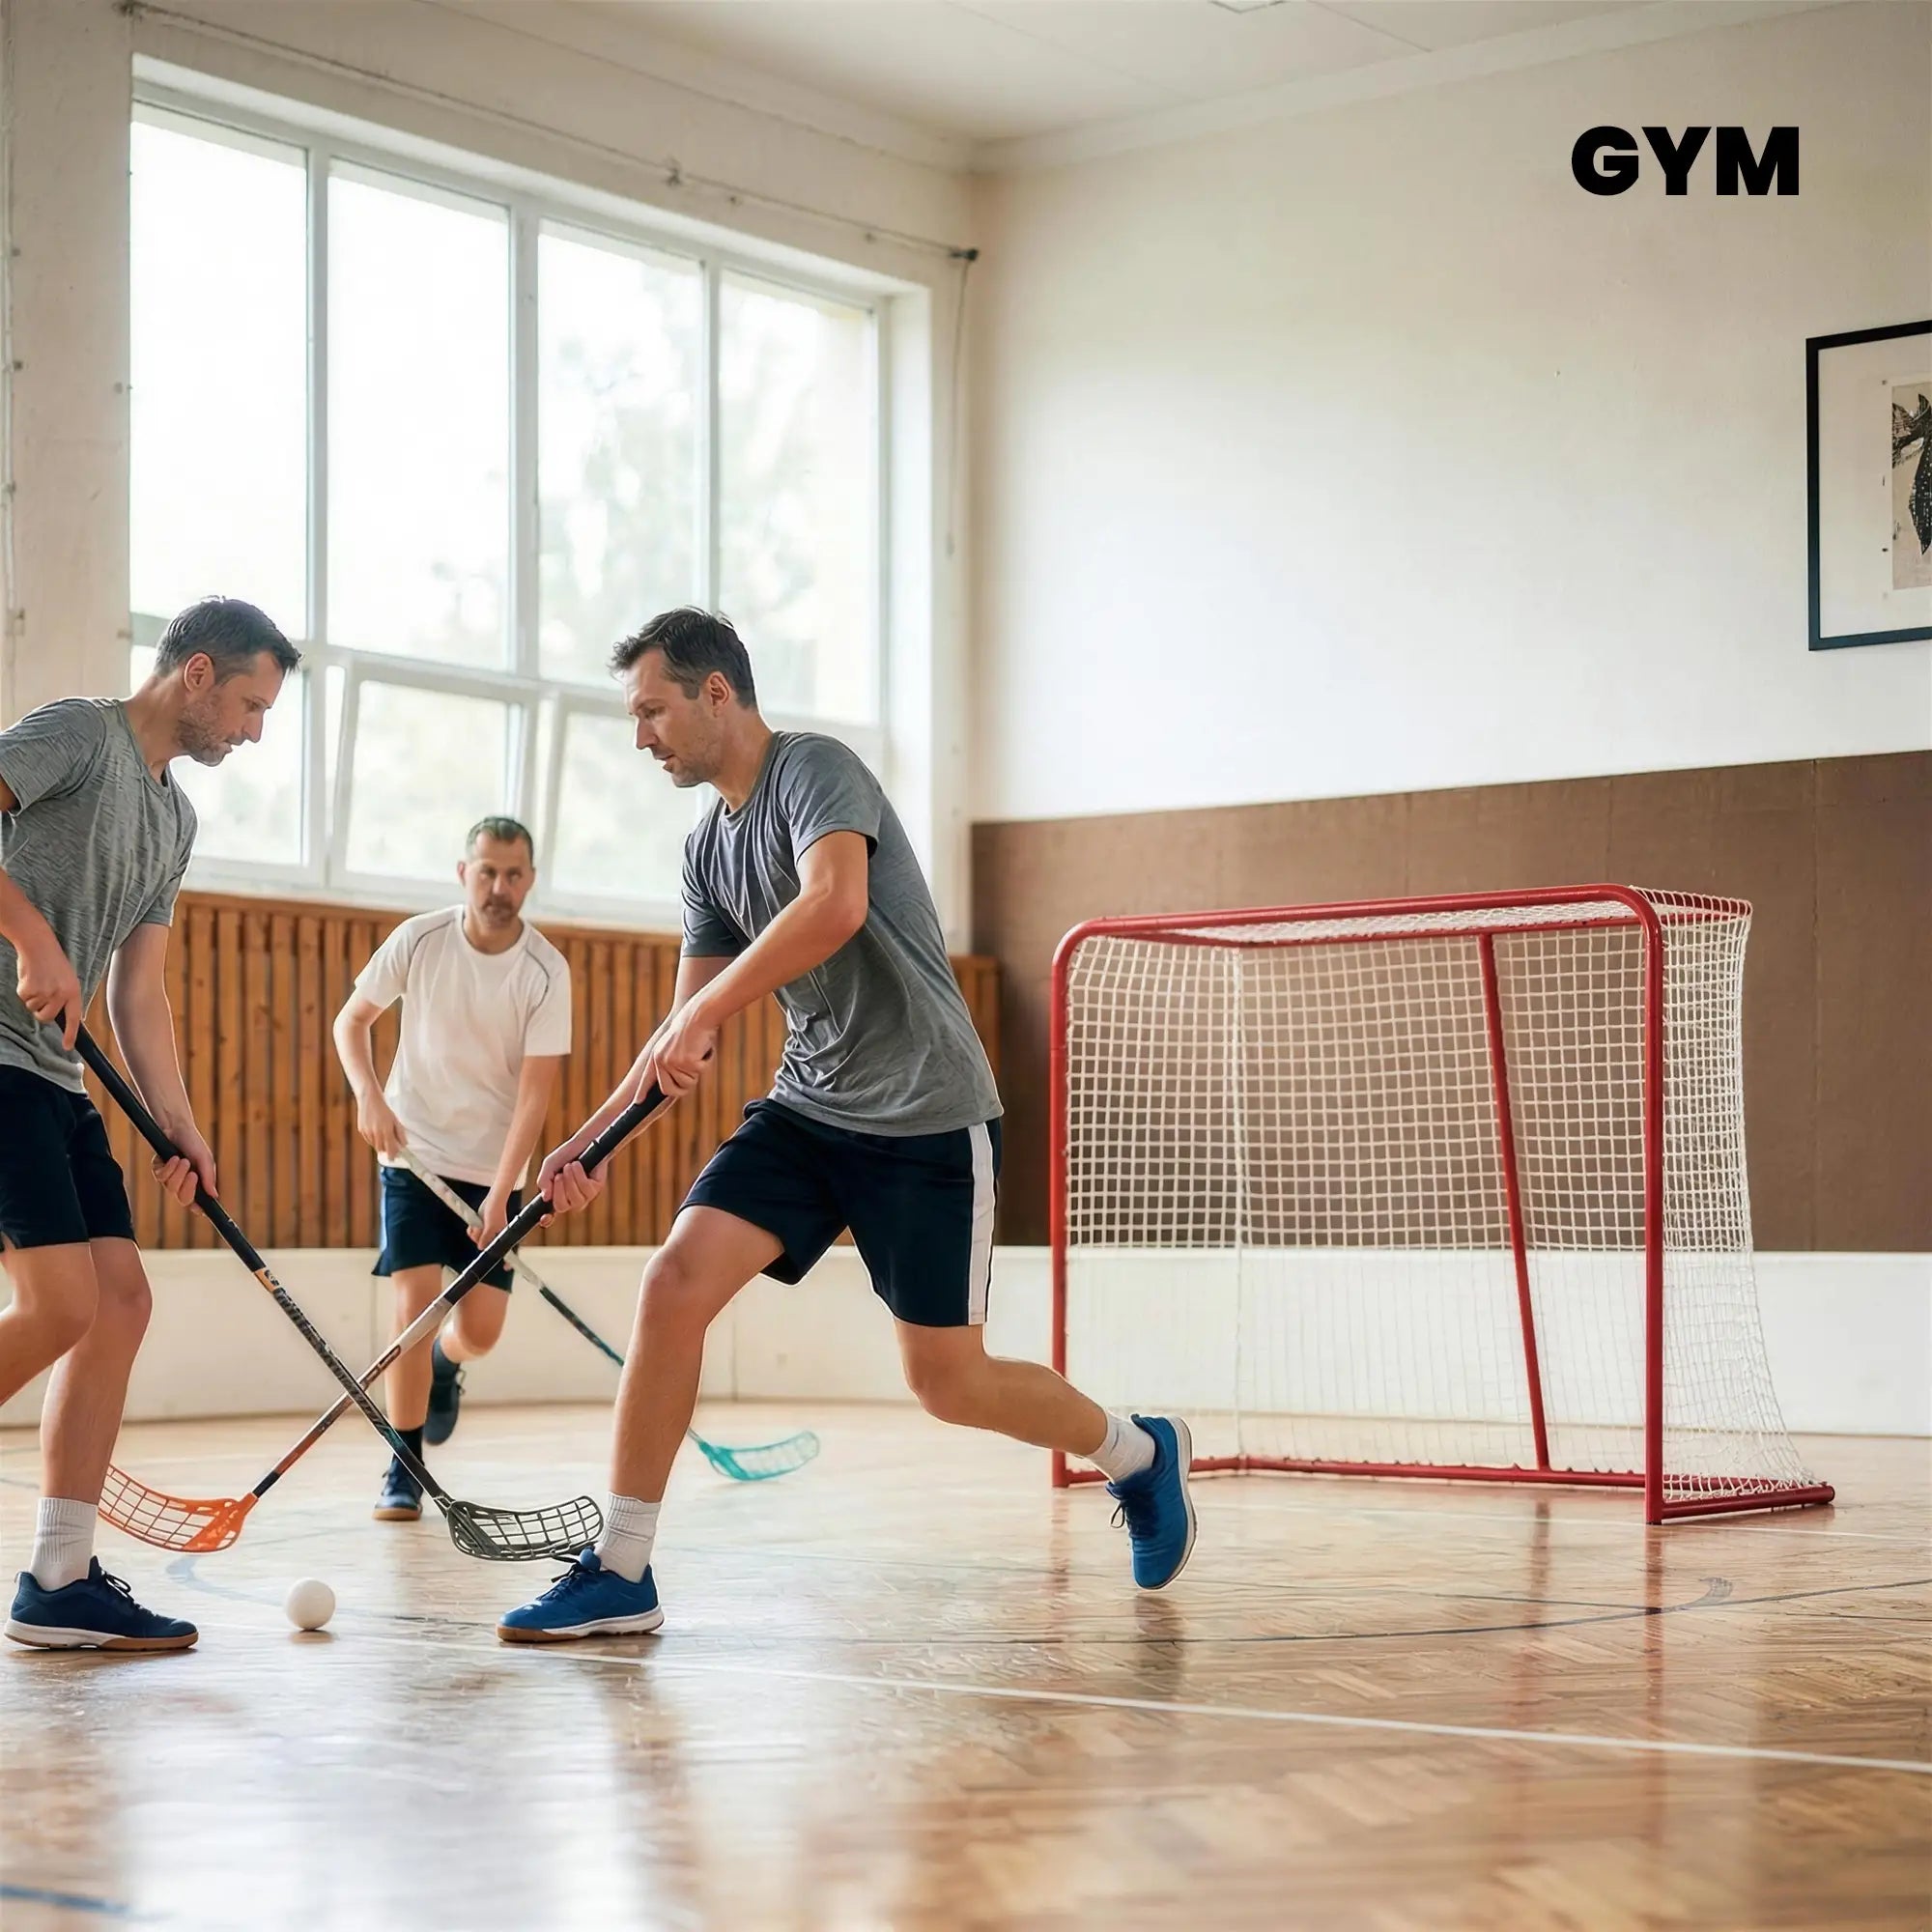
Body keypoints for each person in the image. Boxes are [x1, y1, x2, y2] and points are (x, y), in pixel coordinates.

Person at [497, 609, 1193, 1643]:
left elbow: (833, 903)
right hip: (807, 1107)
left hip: (925, 1114)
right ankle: (622, 1564)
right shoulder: (706, 852)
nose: (640, 735)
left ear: (715, 693)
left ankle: (1137, 1451)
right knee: (672, 1282)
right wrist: (587, 1140)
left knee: (946, 1382)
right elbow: (682, 1031)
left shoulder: (814, 769)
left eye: (651, 709)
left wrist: (704, 1013)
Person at [1, 597, 297, 1650]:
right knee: (58, 1301)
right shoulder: (78, 734)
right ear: (199, 672)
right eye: (253, 704)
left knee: (119, 1300)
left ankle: (59, 1574)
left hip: (55, 1072)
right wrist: (33, 938)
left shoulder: (174, 819)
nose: (256, 730)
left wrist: (181, 1125)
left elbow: (140, 994)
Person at [332, 817, 571, 1521]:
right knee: (411, 1309)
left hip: (493, 1169)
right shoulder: (420, 939)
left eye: (514, 874)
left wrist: (503, 1191)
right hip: (414, 1154)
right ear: (463, 873)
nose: (500, 888)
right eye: (488, 872)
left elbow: (535, 1095)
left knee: (481, 1329)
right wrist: (369, 1097)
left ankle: (446, 1363)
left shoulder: (545, 971)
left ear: (529, 878)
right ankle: (403, 1467)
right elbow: (352, 1022)